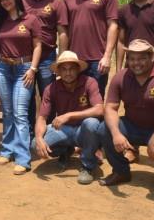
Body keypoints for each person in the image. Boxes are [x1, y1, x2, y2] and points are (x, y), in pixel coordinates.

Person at [98, 39, 154, 193]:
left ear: (152, 57)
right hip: (133, 126)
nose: (136, 63)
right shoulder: (121, 77)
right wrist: (116, 134)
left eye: (142, 58)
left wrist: (153, 142)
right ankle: (121, 172)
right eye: (132, 59)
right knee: (104, 129)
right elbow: (110, 108)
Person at [32, 51, 105, 185]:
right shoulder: (51, 88)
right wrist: (39, 138)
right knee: (34, 144)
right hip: (64, 130)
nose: (68, 73)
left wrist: (69, 115)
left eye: (72, 69)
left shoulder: (89, 82)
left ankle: (87, 166)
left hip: (83, 130)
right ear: (58, 72)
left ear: (78, 69)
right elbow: (42, 117)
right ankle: (66, 151)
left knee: (92, 123)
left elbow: (100, 109)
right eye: (64, 69)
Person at [0, 0, 42, 174]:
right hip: (3, 68)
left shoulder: (30, 19)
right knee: (7, 111)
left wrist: (33, 69)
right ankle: (7, 149)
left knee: (20, 113)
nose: (6, 1)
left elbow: (38, 46)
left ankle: (22, 157)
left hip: (24, 69)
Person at [63, 0, 118, 98]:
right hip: (74, 59)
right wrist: (63, 56)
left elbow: (113, 25)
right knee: (74, 99)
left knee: (96, 100)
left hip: (98, 59)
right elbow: (63, 29)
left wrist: (107, 56)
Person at [21, 0, 69, 127]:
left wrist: (61, 60)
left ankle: (49, 132)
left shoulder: (56, 2)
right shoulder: (21, 0)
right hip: (25, 58)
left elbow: (62, 32)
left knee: (48, 96)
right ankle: (28, 133)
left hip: (47, 57)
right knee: (26, 97)